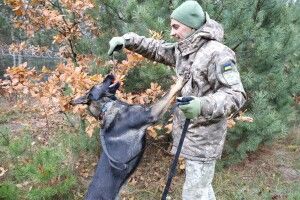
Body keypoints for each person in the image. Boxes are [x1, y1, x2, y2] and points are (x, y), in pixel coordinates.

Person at [107, 1, 246, 199]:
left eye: (176, 26)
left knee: (194, 194)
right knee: (202, 190)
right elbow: (156, 48)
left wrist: (201, 105)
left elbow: (236, 94)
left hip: (204, 139)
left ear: (192, 26)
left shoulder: (217, 53)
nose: (172, 32)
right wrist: (127, 40)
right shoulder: (184, 49)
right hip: (190, 134)